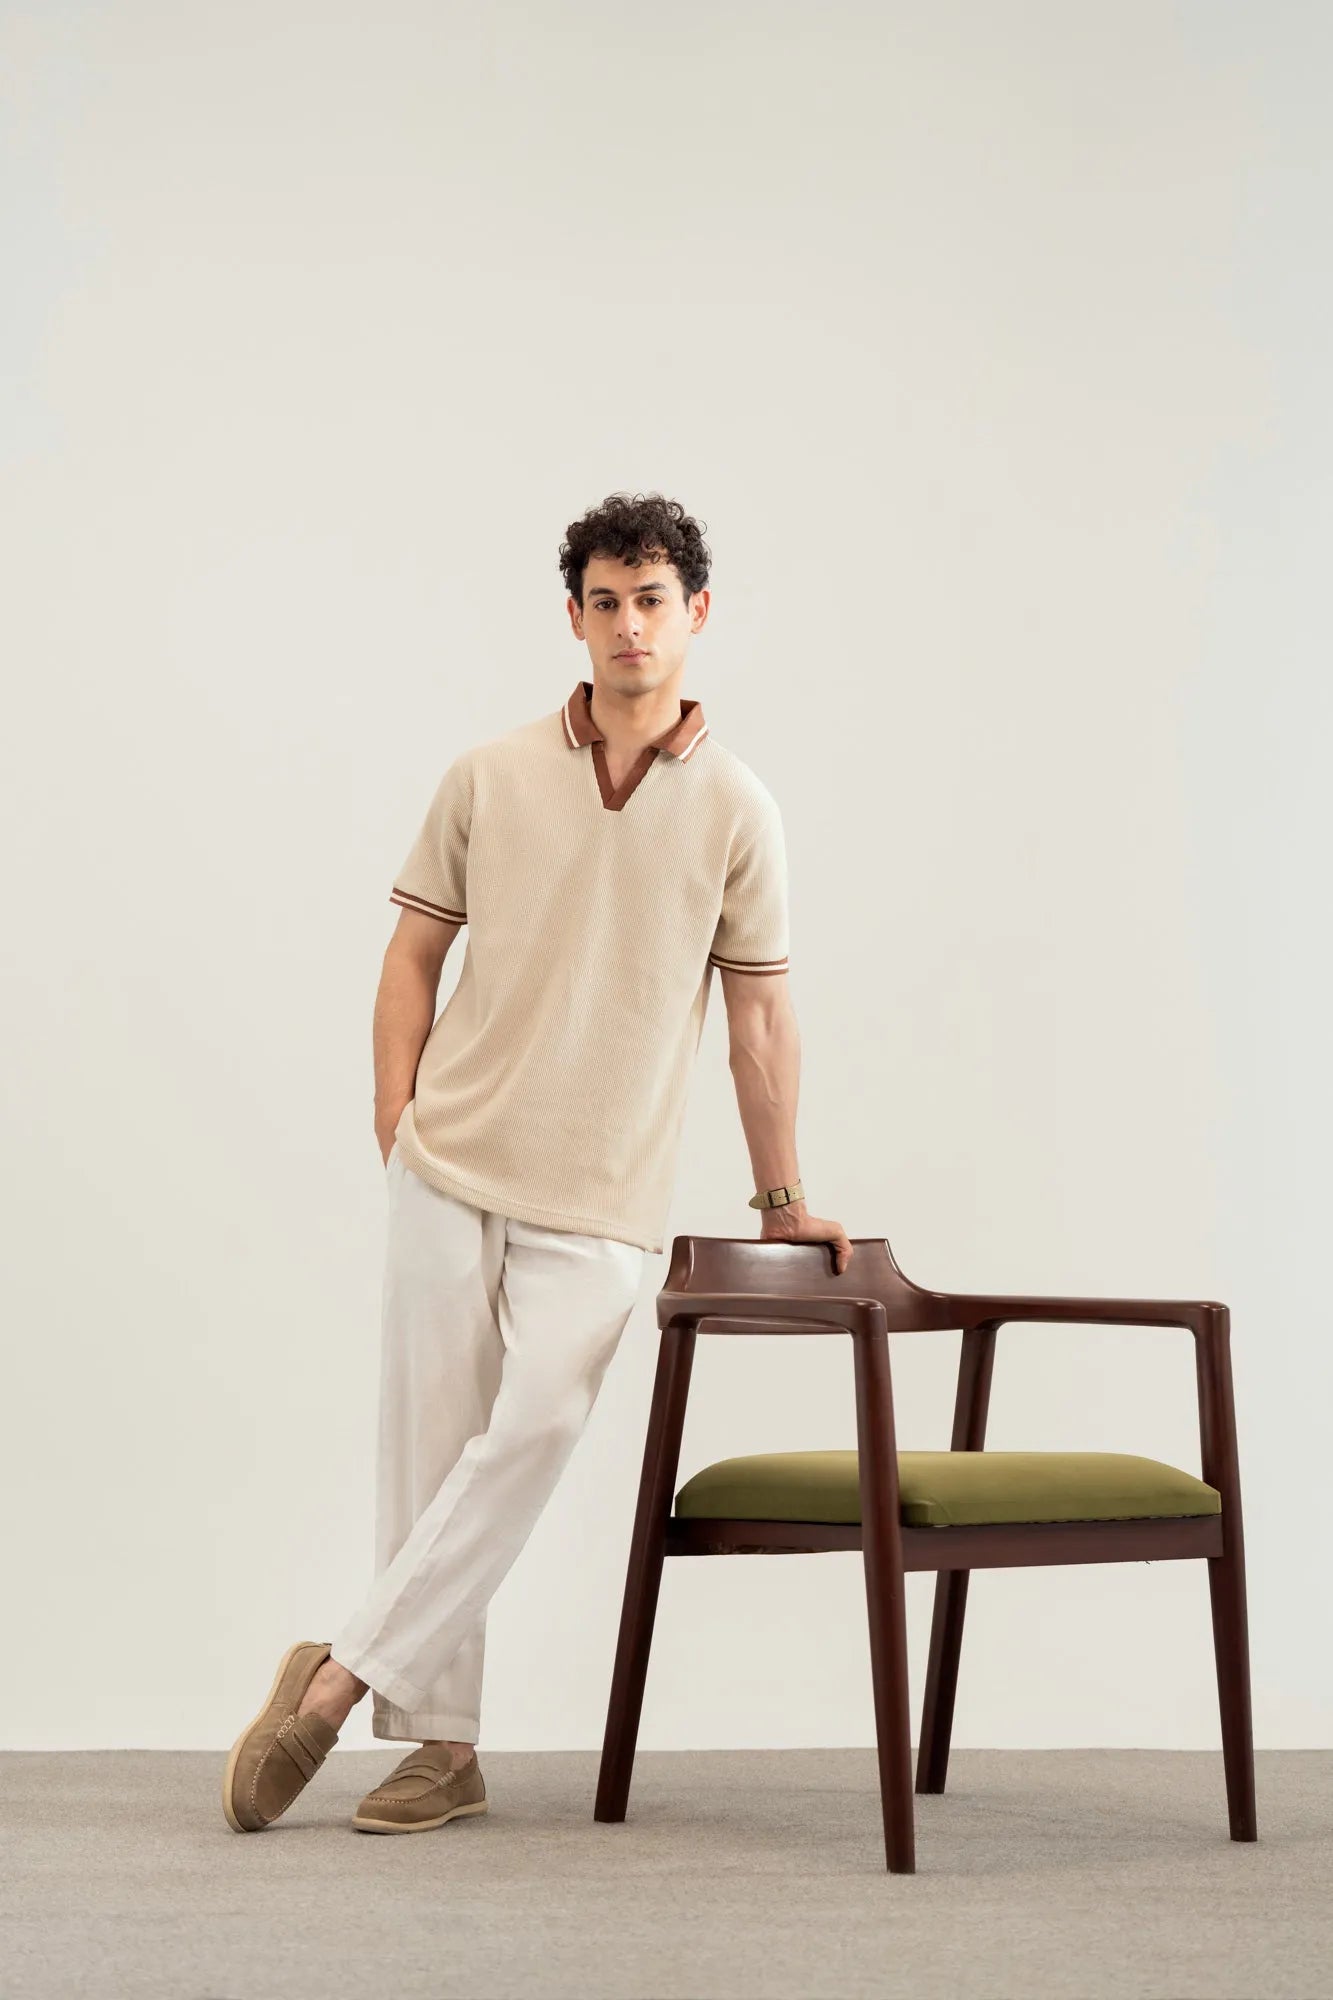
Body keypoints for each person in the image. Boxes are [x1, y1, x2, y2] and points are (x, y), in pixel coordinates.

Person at [222, 490, 852, 1835]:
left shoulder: (739, 809)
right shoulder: (487, 776)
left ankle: (334, 1684)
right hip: (450, 1161)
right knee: (431, 1456)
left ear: (696, 612)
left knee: (532, 1432)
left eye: (652, 600)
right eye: (605, 601)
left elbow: (758, 1019)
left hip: (604, 1195)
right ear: (574, 617)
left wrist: (783, 1198)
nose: (630, 626)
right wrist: (395, 1113)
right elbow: (412, 954)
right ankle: (442, 1752)